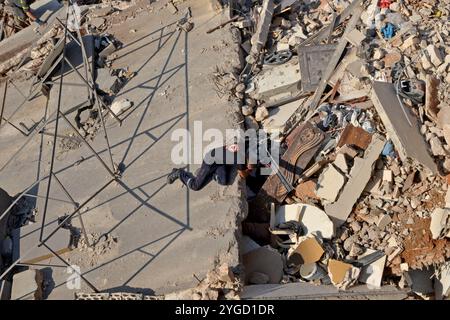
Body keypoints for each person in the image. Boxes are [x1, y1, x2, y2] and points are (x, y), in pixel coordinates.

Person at [167, 142, 256, 191]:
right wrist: (249, 170)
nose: (249, 166)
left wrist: (227, 148)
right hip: (209, 161)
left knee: (224, 181)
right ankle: (179, 173)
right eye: (250, 165)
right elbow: (243, 175)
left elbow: (228, 147)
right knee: (195, 186)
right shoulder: (241, 162)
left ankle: (208, 173)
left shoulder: (242, 147)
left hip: (219, 161)